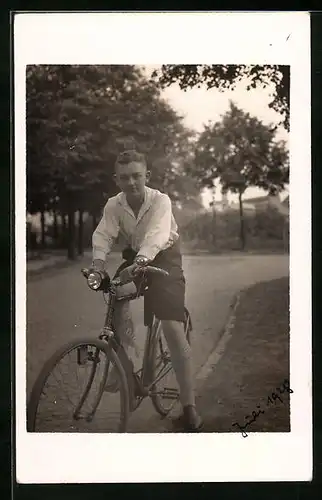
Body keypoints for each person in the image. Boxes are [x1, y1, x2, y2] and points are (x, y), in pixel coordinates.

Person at [91, 149, 203, 432]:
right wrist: (97, 265)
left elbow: (156, 236)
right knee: (114, 294)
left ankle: (189, 407)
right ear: (117, 179)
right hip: (137, 256)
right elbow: (104, 234)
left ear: (147, 176)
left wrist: (140, 263)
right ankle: (126, 373)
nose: (131, 182)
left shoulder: (160, 201)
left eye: (137, 176)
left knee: (171, 327)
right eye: (125, 177)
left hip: (165, 257)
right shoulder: (114, 205)